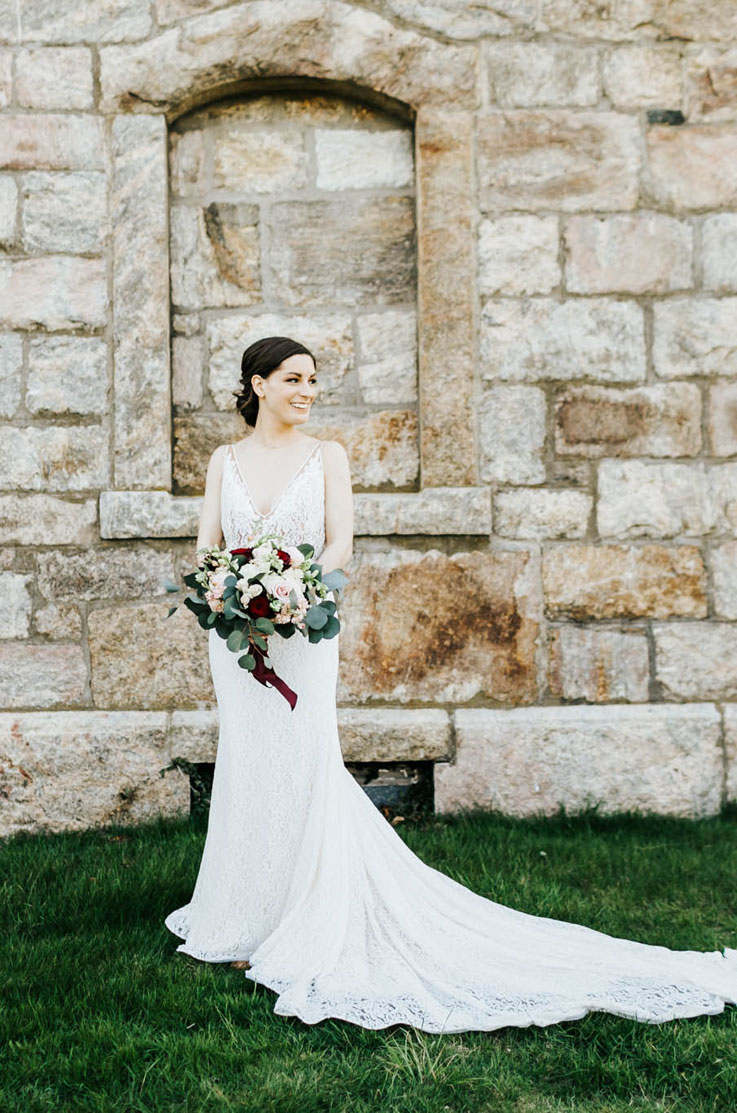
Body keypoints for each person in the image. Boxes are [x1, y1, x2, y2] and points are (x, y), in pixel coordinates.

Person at [165, 335, 737, 1033]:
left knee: (303, 753)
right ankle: (242, 910)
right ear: (257, 384)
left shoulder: (327, 457)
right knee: (251, 756)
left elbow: (341, 540)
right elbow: (206, 544)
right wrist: (227, 590)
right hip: (238, 638)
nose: (307, 390)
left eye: (313, 379)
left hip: (303, 628)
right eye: (292, 379)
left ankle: (308, 908)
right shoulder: (225, 461)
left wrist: (293, 589)